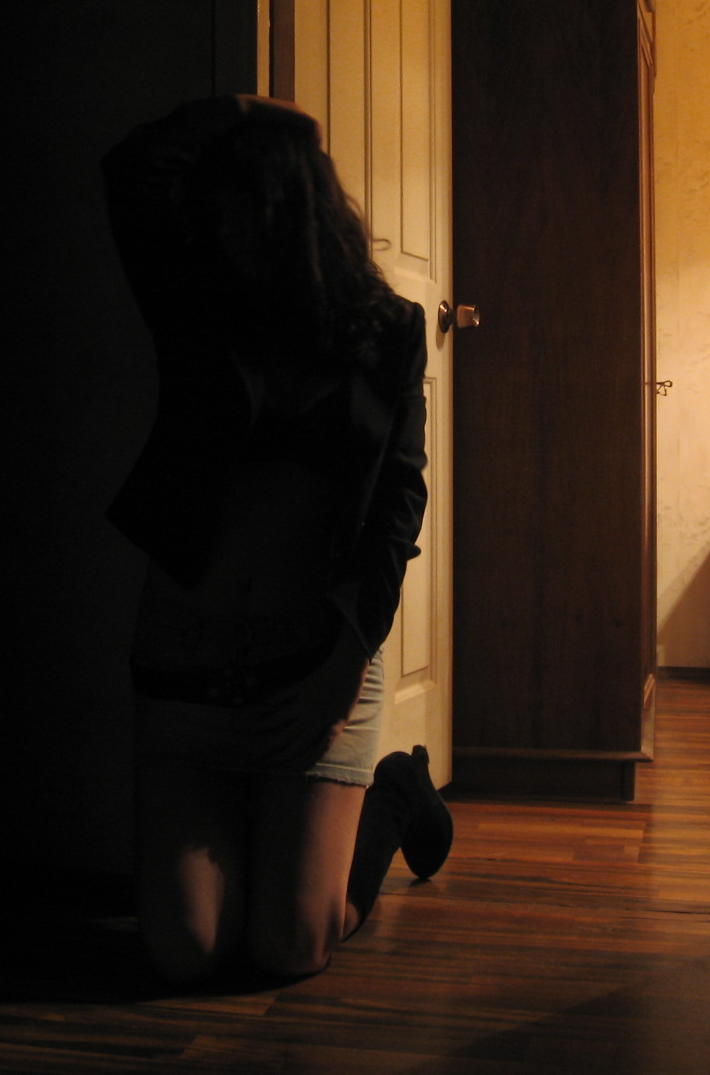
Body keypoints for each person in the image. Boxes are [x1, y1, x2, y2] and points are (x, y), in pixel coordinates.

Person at [102, 94, 453, 982]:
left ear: (290, 210)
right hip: (186, 665)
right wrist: (250, 110)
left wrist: (348, 654)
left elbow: (398, 502)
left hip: (312, 669)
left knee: (291, 947)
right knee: (187, 952)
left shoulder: (388, 333)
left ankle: (394, 792)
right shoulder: (199, 312)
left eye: (239, 209)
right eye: (213, 209)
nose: (219, 228)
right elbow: (133, 168)